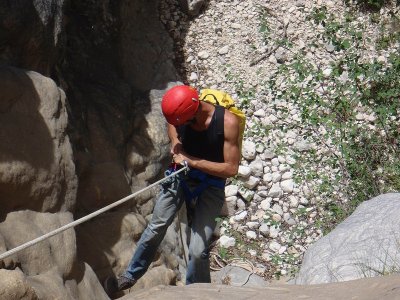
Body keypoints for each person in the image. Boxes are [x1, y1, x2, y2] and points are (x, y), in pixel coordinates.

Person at [104, 84, 240, 295]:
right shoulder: (181, 113)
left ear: (193, 113)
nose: (177, 124)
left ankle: (198, 293)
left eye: (181, 122)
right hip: (181, 175)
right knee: (156, 227)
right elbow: (172, 123)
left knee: (197, 249)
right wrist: (176, 144)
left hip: (211, 184)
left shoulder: (228, 122)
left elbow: (231, 168)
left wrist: (191, 161)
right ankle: (130, 276)